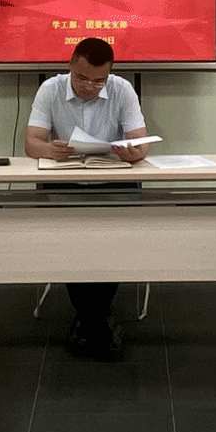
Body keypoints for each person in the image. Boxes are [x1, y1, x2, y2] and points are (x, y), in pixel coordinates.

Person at [21, 38, 150, 360]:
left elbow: (141, 142)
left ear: (109, 73)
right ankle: (97, 320)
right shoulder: (50, 89)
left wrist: (134, 152)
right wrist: (50, 150)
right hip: (65, 180)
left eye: (98, 81)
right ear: (70, 66)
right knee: (71, 244)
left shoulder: (122, 89)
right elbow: (32, 142)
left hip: (113, 182)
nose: (90, 86)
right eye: (82, 78)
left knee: (113, 246)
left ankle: (88, 320)